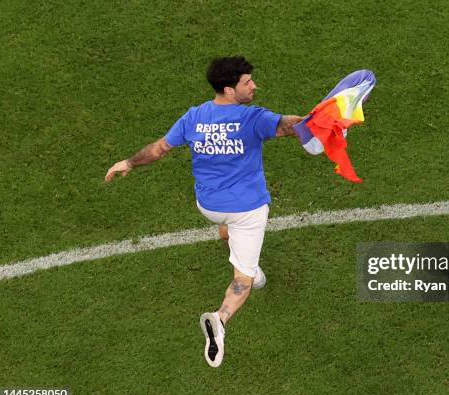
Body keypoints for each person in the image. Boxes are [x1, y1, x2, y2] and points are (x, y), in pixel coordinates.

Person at [105, 56, 304, 367]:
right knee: (244, 279)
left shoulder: (194, 117)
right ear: (228, 89)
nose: (254, 86)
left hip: (209, 206)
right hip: (247, 210)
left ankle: (239, 252)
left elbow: (159, 149)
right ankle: (220, 320)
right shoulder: (252, 118)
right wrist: (321, 119)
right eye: (247, 83)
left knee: (227, 228)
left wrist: (128, 163)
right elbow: (290, 126)